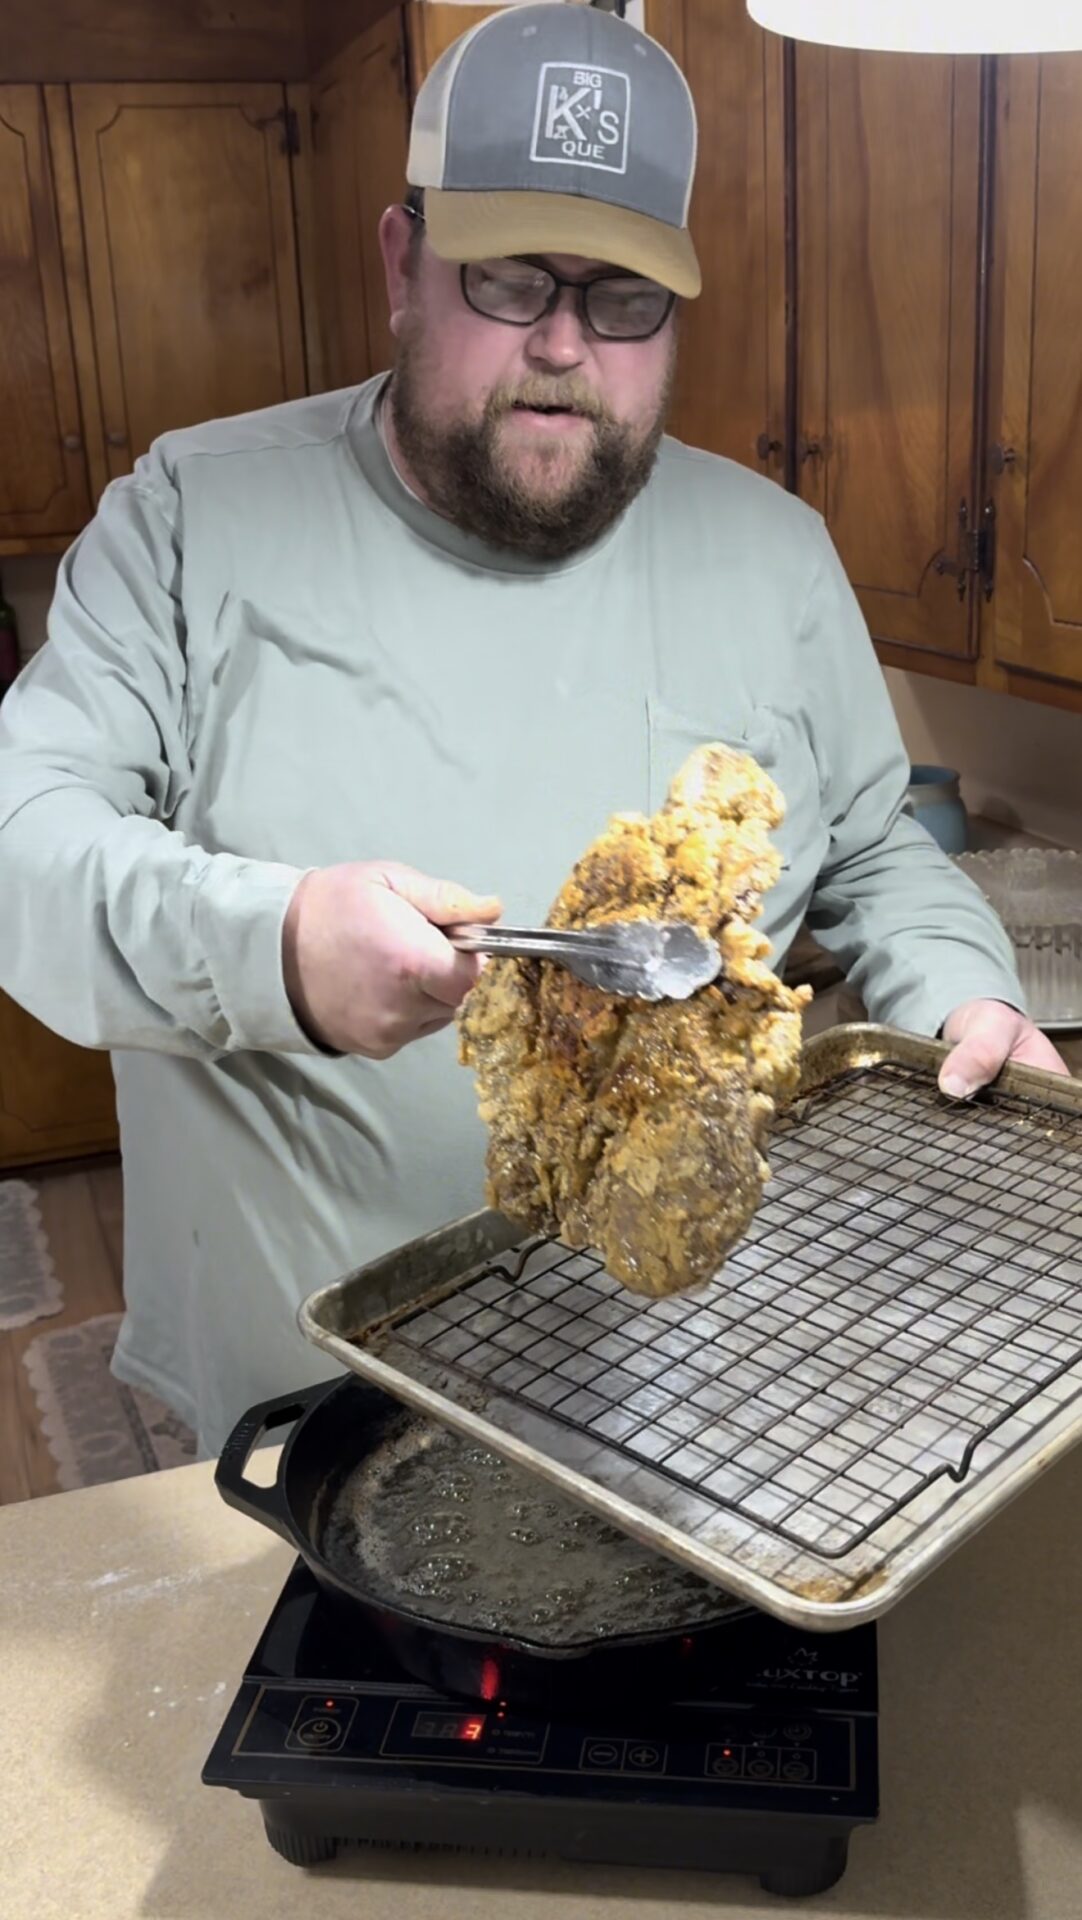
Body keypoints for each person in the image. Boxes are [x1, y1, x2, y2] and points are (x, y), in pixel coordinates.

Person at [0, 4, 1064, 1457]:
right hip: (310, 1380)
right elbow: (24, 843)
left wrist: (959, 992)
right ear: (401, 264)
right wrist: (274, 950)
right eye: (508, 278)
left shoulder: (773, 551)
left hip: (674, 1370)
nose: (565, 344)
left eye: (624, 295)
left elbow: (875, 841)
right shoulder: (189, 518)